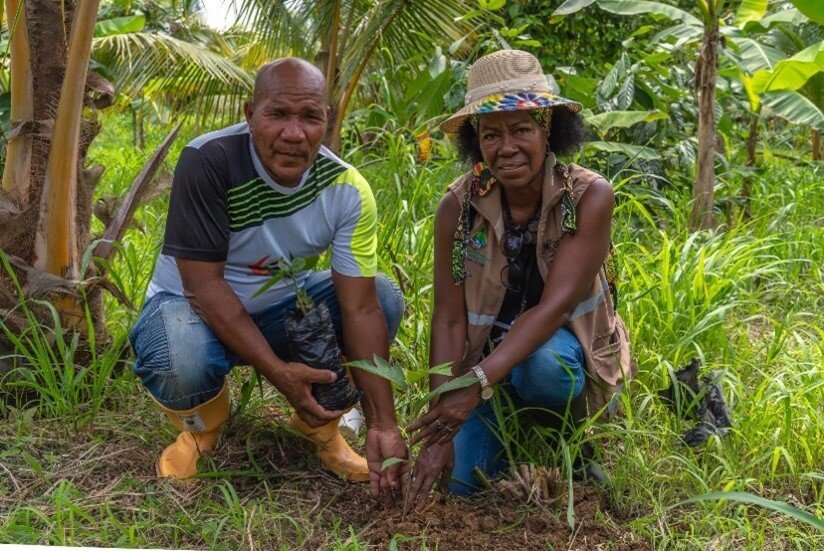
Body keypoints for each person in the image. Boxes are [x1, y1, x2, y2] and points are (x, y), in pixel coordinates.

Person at [129, 57, 408, 500]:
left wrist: (384, 425)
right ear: (249, 114)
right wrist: (279, 373)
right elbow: (203, 287)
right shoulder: (210, 160)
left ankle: (320, 426)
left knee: (383, 297)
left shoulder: (346, 188)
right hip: (189, 307)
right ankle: (202, 429)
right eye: (278, 114)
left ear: (326, 121)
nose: (293, 133)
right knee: (181, 357)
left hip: (279, 310)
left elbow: (360, 307)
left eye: (309, 117)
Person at [407, 50, 634, 501]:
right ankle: (504, 427)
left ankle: (568, 436)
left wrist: (475, 385)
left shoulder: (587, 197)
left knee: (544, 367)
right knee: (458, 483)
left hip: (554, 354)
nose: (506, 148)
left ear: (547, 129)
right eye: (491, 135)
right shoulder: (458, 207)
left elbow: (554, 308)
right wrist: (442, 419)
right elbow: (449, 320)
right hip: (486, 367)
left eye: (522, 129)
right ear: (477, 142)